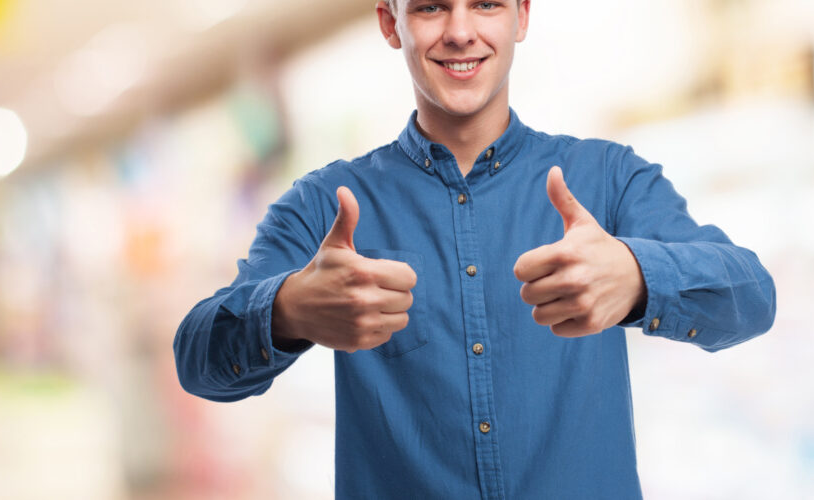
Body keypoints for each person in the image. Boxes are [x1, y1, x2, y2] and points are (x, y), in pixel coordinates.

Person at [173, 0, 777, 498]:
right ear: (392, 23)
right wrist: (288, 310)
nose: (461, 32)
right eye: (433, 7)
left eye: (485, 4)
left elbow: (752, 298)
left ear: (521, 15)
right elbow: (197, 361)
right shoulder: (322, 206)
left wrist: (640, 277)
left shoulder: (610, 179)